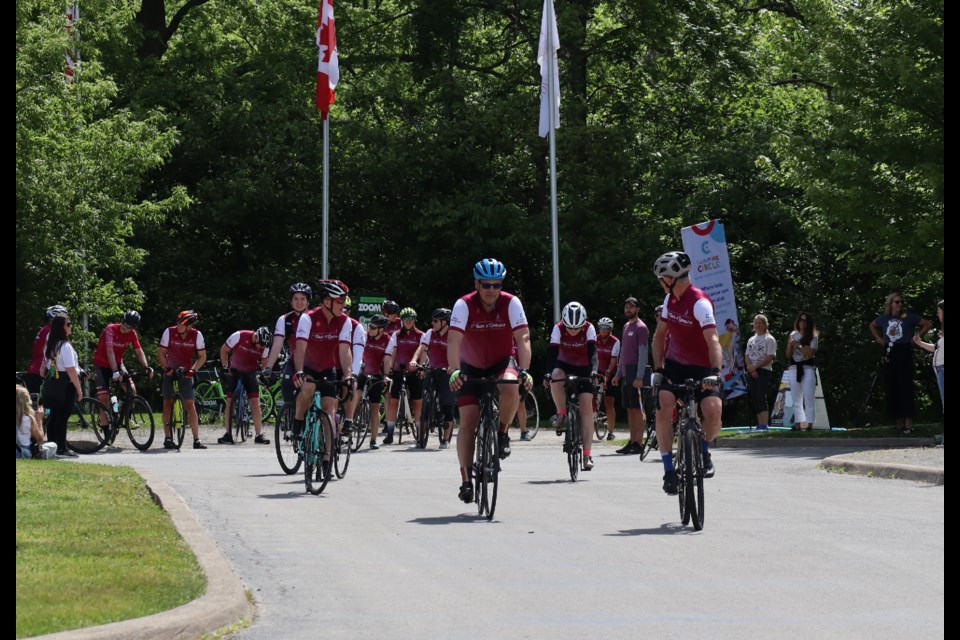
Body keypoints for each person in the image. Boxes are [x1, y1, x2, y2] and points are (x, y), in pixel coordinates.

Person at [448, 258, 532, 504]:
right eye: (486, 285)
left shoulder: (511, 303)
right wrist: (454, 370)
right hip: (468, 366)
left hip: (501, 362)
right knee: (468, 422)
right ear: (476, 283)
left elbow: (523, 338)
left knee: (510, 384)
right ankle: (465, 480)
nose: (492, 290)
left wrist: (525, 369)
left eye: (497, 284)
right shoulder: (464, 305)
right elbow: (453, 340)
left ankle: (503, 432)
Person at [650, 251, 723, 495]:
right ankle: (669, 470)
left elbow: (713, 339)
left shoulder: (699, 302)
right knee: (663, 403)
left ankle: (703, 449)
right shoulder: (670, 302)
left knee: (713, 411)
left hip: (703, 366)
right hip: (675, 364)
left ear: (669, 279)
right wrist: (659, 368)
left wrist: (715, 372)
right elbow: (659, 336)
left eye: (662, 279)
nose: (661, 283)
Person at [292, 280, 356, 457]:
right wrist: (299, 371)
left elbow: (345, 352)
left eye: (344, 301)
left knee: (329, 409)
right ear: (327, 302)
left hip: (328, 367)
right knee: (308, 387)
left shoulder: (344, 321)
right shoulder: (308, 318)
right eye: (340, 301)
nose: (343, 305)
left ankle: (327, 457)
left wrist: (349, 375)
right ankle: (298, 420)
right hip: (308, 366)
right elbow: (300, 349)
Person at [546, 301, 599, 470]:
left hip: (585, 367)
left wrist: (594, 371)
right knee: (555, 377)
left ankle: (587, 455)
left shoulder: (589, 328)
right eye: (570, 328)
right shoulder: (558, 328)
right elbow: (552, 353)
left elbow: (593, 354)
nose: (573, 331)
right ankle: (561, 412)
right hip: (565, 363)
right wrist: (547, 373)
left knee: (585, 408)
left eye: (577, 329)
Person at [869, 293, 931, 434]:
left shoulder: (908, 316)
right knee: (892, 386)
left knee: (906, 385)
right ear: (890, 303)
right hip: (890, 351)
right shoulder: (884, 318)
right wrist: (879, 339)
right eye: (897, 302)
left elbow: (927, 323)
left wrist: (916, 338)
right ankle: (898, 423)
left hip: (904, 351)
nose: (900, 304)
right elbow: (872, 325)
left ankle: (909, 424)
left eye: (901, 302)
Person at [91, 310, 154, 434]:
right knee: (104, 397)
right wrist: (115, 371)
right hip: (101, 364)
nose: (125, 328)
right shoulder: (110, 329)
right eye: (124, 324)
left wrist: (146, 367)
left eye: (129, 327)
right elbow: (110, 351)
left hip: (118, 363)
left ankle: (124, 415)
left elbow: (138, 350)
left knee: (132, 390)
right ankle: (106, 431)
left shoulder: (132, 334)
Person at [157, 310, 208, 449]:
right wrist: (165, 367)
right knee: (167, 403)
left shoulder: (197, 335)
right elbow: (161, 353)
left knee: (190, 405)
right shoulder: (169, 332)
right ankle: (168, 438)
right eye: (178, 323)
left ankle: (196, 439)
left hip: (186, 372)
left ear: (189, 326)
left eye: (182, 324)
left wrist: (193, 370)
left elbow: (202, 356)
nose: (178, 326)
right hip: (170, 370)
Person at [217, 326, 272, 445]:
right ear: (256, 337)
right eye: (260, 345)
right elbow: (224, 350)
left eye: (264, 346)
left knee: (255, 403)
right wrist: (225, 367)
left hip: (250, 372)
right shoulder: (239, 335)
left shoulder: (265, 346)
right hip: (234, 370)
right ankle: (228, 433)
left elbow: (264, 362)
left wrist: (265, 377)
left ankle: (258, 435)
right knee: (230, 402)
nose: (261, 348)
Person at [264, 283, 313, 415]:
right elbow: (277, 344)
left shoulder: (315, 317)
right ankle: (291, 417)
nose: (299, 302)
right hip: (294, 361)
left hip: (313, 362)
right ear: (291, 301)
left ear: (308, 301)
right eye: (295, 298)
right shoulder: (285, 319)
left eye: (302, 299)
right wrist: (268, 366)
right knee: (286, 382)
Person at [411, 308, 457, 449]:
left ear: (444, 322)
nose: (432, 323)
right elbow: (422, 347)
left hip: (446, 371)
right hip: (432, 368)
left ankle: (445, 439)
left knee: (446, 405)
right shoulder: (430, 333)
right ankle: (420, 438)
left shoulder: (453, 335)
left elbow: (459, 352)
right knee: (425, 399)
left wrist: (453, 366)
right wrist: (414, 360)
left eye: (435, 321)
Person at [39, 313, 83, 457]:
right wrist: (79, 388)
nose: (71, 327)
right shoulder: (65, 346)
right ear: (61, 328)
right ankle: (62, 448)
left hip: (51, 382)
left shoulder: (50, 345)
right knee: (62, 417)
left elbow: (43, 369)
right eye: (68, 324)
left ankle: (52, 446)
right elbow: (71, 370)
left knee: (53, 416)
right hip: (65, 383)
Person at [611, 297, 649, 455]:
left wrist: (640, 376)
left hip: (636, 375)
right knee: (630, 409)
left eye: (631, 307)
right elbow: (623, 353)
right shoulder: (626, 326)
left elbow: (643, 353)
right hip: (627, 375)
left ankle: (639, 443)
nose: (628, 309)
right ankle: (632, 440)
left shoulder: (641, 327)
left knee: (638, 410)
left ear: (638, 309)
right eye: (626, 307)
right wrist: (618, 374)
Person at [383, 307, 424, 444]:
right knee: (393, 401)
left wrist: (421, 367)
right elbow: (393, 352)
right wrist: (388, 369)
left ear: (414, 320)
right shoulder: (396, 335)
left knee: (418, 402)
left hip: (414, 372)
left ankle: (419, 433)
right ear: (402, 320)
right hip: (398, 371)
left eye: (411, 319)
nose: (408, 321)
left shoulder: (420, 335)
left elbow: (423, 353)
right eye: (406, 319)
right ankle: (389, 433)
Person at [358, 315, 390, 449]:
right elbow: (357, 352)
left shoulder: (388, 340)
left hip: (377, 374)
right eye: (369, 326)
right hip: (363, 370)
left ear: (381, 330)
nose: (369, 329)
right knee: (356, 395)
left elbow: (388, 360)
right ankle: (348, 423)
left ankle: (373, 440)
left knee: (375, 407)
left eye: (372, 327)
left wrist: (386, 375)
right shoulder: (365, 336)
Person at [786, 312, 819, 431]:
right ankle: (798, 423)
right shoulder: (793, 334)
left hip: (807, 368)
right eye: (800, 320)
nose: (802, 323)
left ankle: (810, 424)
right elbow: (788, 355)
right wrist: (790, 346)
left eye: (805, 321)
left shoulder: (813, 336)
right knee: (796, 398)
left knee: (809, 396)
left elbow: (810, 354)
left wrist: (799, 346)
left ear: (808, 323)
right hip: (794, 368)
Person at [744, 314, 777, 431]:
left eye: (760, 323)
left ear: (765, 325)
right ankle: (759, 423)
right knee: (755, 396)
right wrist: (750, 367)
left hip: (764, 370)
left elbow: (769, 357)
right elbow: (747, 355)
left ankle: (764, 424)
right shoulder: (751, 339)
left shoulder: (769, 339)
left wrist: (756, 367)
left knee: (761, 396)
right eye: (756, 323)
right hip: (752, 370)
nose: (757, 325)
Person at [912, 299, 944, 418]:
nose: (937, 314)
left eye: (939, 311)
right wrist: (920, 343)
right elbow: (936, 348)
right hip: (940, 369)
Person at [595, 317, 621, 441]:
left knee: (609, 403)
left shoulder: (615, 341)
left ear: (610, 329)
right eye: (601, 328)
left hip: (611, 374)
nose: (603, 330)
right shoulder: (595, 339)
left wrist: (609, 373)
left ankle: (610, 431)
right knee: (590, 398)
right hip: (597, 372)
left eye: (606, 328)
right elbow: (592, 356)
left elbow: (613, 360)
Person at [16, 384, 46, 459]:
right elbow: (40, 439)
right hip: (23, 452)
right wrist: (39, 419)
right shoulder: (27, 419)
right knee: (53, 445)